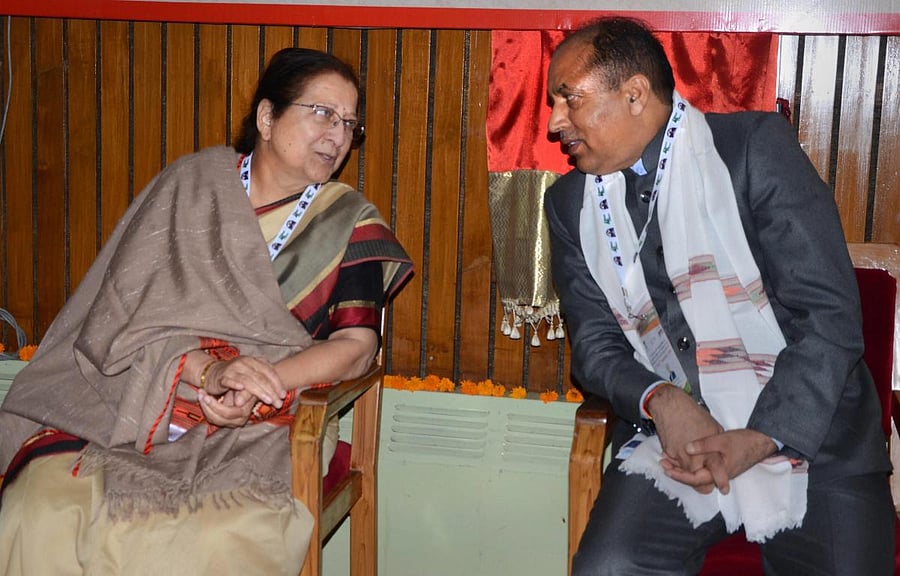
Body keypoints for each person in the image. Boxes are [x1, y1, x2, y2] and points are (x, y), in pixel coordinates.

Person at [0, 47, 412, 575]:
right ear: (267, 117)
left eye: (350, 123)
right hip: (137, 397)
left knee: (220, 533)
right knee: (40, 509)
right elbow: (117, 318)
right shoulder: (188, 186)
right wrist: (207, 371)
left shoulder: (348, 222)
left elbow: (357, 348)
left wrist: (259, 385)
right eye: (322, 113)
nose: (337, 134)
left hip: (269, 419)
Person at [543, 17, 894, 576]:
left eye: (569, 99)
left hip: (811, 435)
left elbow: (828, 316)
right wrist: (664, 401)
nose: (555, 122)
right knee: (609, 566)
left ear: (634, 93)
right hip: (674, 440)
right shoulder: (569, 206)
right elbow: (596, 345)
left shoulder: (753, 149)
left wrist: (759, 437)